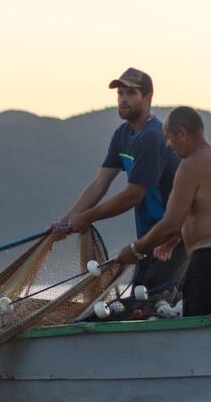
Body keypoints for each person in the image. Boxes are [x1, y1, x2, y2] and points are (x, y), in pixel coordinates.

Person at [53, 67, 186, 290]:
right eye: (120, 93)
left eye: (131, 93)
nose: (123, 99)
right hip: (148, 240)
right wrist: (67, 220)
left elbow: (133, 196)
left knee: (154, 301)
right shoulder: (122, 135)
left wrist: (87, 217)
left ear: (147, 98)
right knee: (140, 300)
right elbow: (100, 183)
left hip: (173, 239)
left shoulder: (153, 136)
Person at [116, 106, 211, 316]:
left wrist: (135, 249)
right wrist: (176, 236)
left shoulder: (191, 164)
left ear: (182, 133)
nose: (168, 145)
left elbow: (170, 223)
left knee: (200, 329)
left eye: (169, 137)